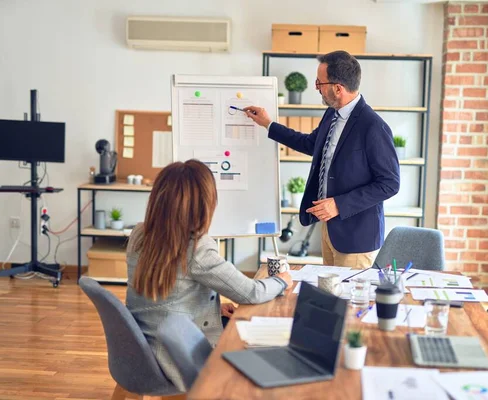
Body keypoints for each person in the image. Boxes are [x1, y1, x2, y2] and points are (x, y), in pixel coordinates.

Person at [125, 159, 292, 391]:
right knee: (270, 348)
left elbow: (166, 291)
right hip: (177, 358)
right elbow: (251, 293)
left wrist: (211, 308)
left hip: (142, 348)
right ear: (204, 204)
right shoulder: (197, 248)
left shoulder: (140, 233)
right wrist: (281, 280)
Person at [244, 50, 400, 269]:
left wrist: (338, 205)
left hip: (356, 236)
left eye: (319, 83)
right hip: (329, 229)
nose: (316, 88)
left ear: (338, 88)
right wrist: (269, 124)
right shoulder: (332, 114)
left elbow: (389, 184)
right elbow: (310, 144)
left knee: (349, 301)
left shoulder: (373, 127)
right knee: (331, 297)